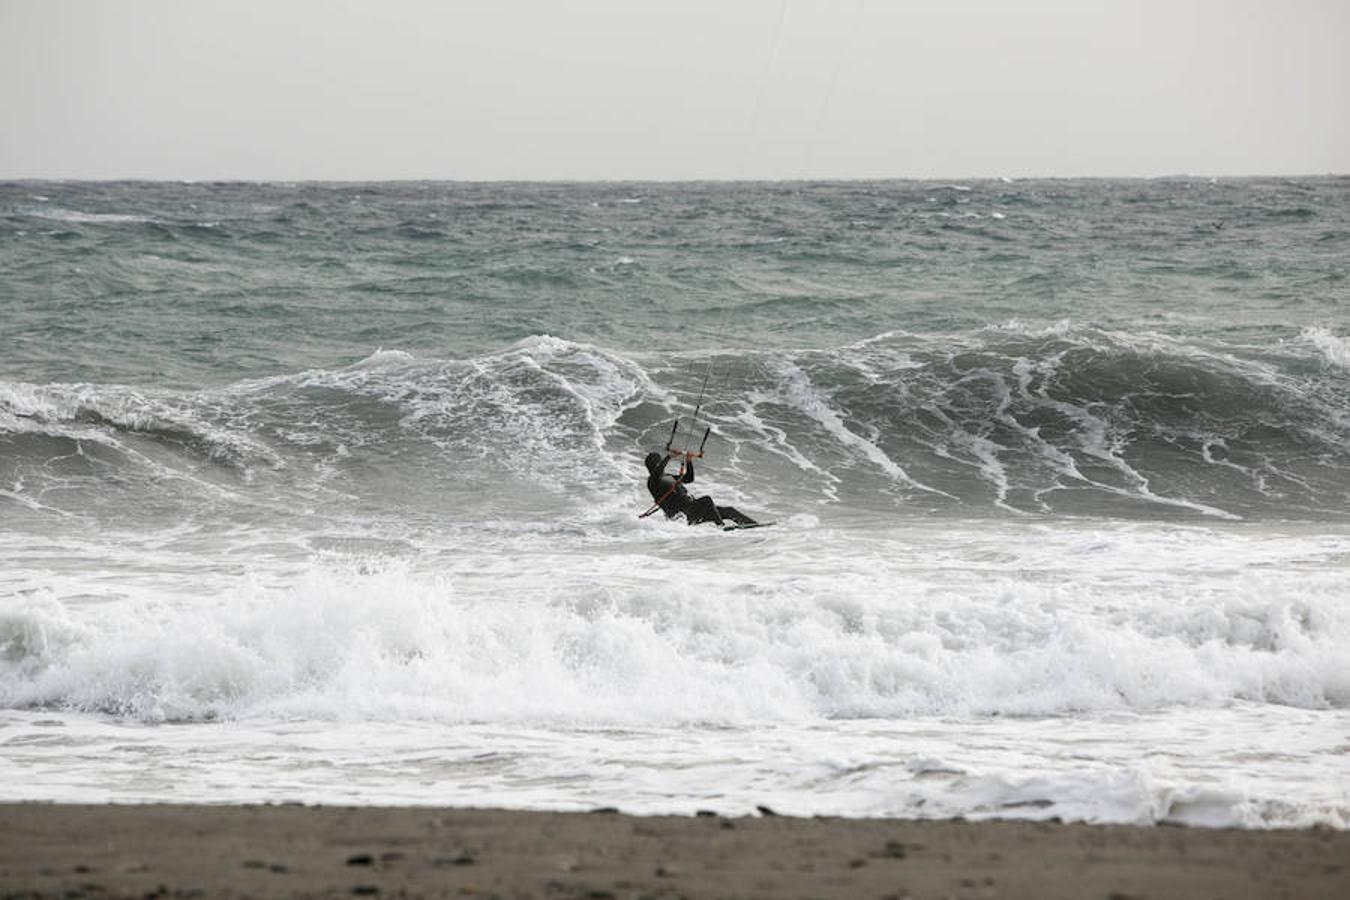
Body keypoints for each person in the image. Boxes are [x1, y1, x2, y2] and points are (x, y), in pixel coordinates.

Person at [643, 451, 757, 527]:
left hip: (693, 510)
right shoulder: (653, 482)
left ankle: (753, 526)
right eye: (659, 462)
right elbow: (657, 473)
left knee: (728, 511)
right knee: (706, 500)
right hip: (683, 514)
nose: (660, 465)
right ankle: (721, 527)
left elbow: (689, 478)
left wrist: (689, 461)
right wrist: (669, 457)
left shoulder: (668, 477)